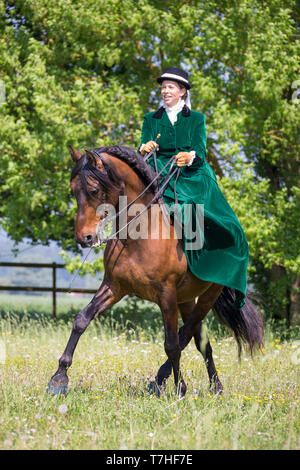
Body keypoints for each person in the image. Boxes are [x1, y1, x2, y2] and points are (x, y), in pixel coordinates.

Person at [139, 66, 249, 309]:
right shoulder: (150, 120)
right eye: (163, 87)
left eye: (170, 87)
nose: (165, 91)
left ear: (182, 92)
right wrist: (144, 148)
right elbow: (142, 145)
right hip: (158, 172)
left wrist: (187, 157)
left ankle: (205, 260)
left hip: (190, 174)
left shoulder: (197, 119)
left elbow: (200, 150)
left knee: (196, 208)